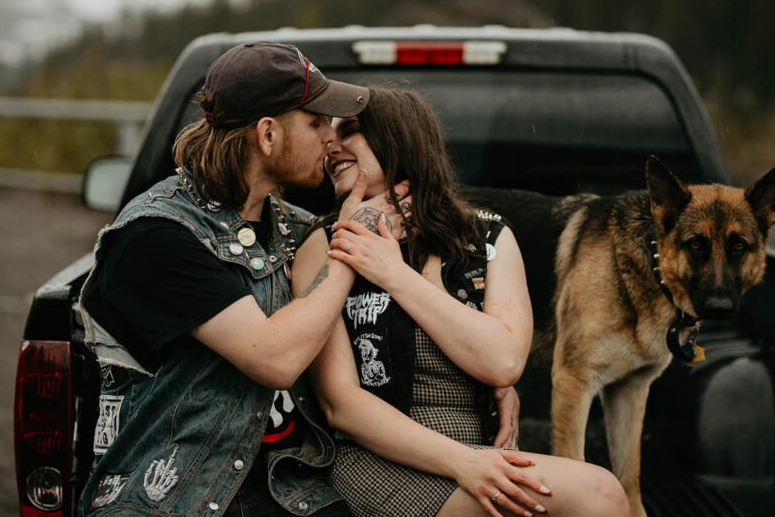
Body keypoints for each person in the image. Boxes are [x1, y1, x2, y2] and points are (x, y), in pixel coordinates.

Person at [75, 41, 389, 516]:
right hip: (169, 500)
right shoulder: (156, 235)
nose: (332, 137)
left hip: (290, 494)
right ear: (267, 135)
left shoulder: (297, 229)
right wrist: (347, 250)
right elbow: (276, 358)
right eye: (316, 122)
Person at [291, 87, 630, 517]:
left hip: (479, 448)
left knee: (602, 493)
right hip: (377, 458)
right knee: (598, 492)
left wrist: (394, 275)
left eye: (352, 130)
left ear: (400, 141)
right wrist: (463, 462)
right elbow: (341, 405)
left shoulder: (488, 237)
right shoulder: (324, 242)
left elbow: (503, 361)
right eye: (329, 132)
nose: (331, 145)